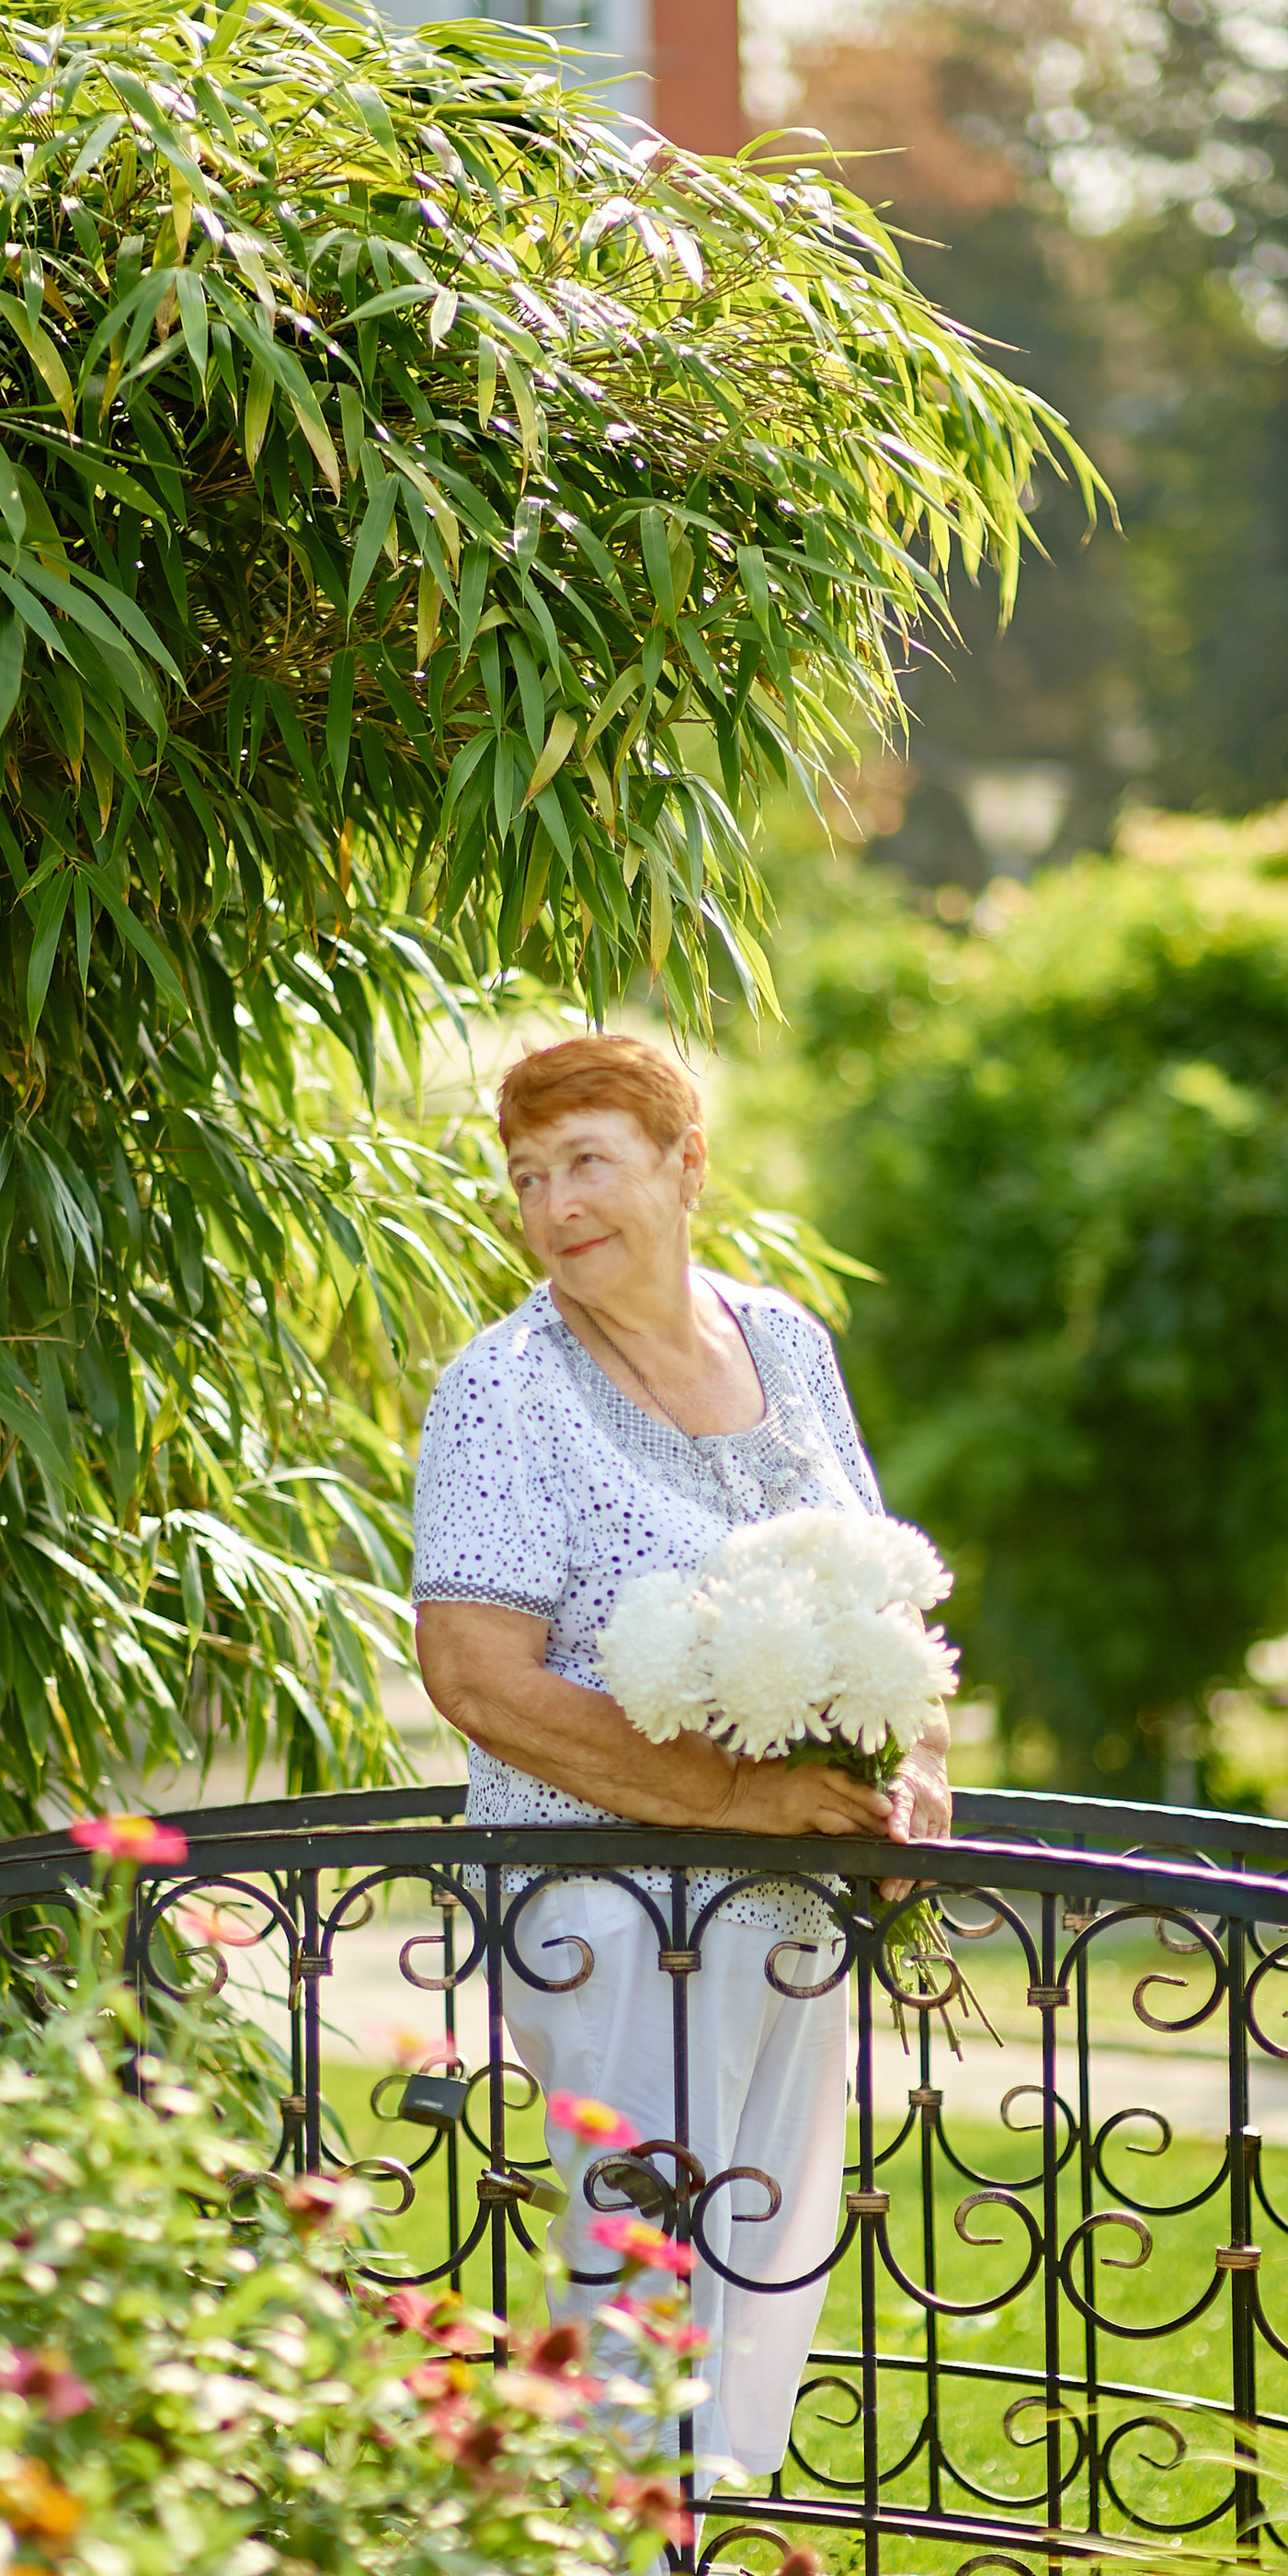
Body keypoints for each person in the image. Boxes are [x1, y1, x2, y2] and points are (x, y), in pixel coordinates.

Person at [411, 1032, 952, 2478]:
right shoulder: (501, 1388)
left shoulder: (786, 1341)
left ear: (685, 1162)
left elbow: (885, 1586)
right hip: (609, 1910)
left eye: (587, 1161)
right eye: (527, 1177)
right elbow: (475, 1671)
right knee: (640, 2263)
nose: (553, 1204)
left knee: (764, 2259)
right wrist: (734, 1798)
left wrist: (910, 1787)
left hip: (791, 1907)